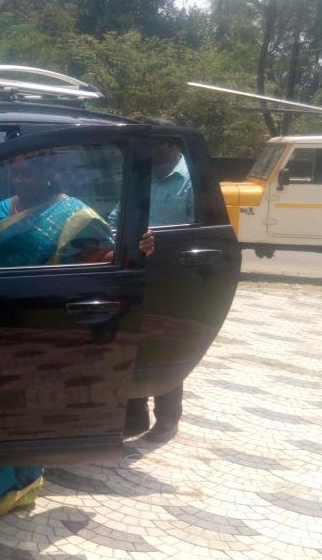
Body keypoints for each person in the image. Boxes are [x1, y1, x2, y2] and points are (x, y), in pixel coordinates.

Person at [0, 152, 154, 521]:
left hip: (41, 323)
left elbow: (106, 263)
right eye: (16, 174)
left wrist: (136, 250)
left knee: (20, 404)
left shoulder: (75, 216)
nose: (20, 181)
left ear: (49, 173)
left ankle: (17, 486)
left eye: (28, 174)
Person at [119, 135, 194, 444]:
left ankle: (168, 418)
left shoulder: (190, 181)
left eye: (153, 146)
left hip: (173, 274)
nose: (147, 152)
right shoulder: (144, 177)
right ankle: (135, 415)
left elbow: (195, 231)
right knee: (136, 341)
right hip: (137, 268)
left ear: (171, 145)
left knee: (164, 344)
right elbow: (119, 214)